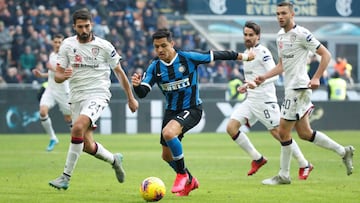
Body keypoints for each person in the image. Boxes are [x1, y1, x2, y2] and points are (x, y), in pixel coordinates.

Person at [131, 28, 254, 196]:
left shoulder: (188, 58)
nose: (160, 50)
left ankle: (182, 175)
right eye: (156, 46)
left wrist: (245, 56)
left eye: (163, 45)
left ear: (172, 44)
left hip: (192, 109)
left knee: (168, 133)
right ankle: (190, 179)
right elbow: (143, 92)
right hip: (171, 111)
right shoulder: (155, 67)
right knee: (166, 156)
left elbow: (217, 55)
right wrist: (136, 86)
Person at [254, 2, 354, 185]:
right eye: (277, 14)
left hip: (298, 88)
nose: (280, 17)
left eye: (283, 13)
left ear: (292, 15)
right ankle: (343, 151)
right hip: (292, 88)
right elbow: (281, 66)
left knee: (282, 131)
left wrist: (316, 77)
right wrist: (264, 77)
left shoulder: (302, 34)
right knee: (305, 133)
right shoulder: (280, 36)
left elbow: (326, 55)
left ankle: (284, 175)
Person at [48, 9, 139, 190]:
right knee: (87, 145)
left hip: (98, 94)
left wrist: (131, 98)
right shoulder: (67, 45)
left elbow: (119, 73)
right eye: (80, 27)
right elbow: (57, 75)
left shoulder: (105, 46)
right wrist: (63, 76)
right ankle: (115, 160)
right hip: (76, 97)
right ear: (74, 27)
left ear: (92, 25)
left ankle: (65, 177)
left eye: (87, 26)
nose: (84, 30)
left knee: (77, 127)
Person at [226, 21, 312, 179]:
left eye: (251, 35)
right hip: (251, 100)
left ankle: (304, 163)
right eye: (245, 34)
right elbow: (253, 78)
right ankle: (257, 159)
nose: (248, 37)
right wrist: (247, 85)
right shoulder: (247, 53)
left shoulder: (263, 52)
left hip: (265, 100)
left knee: (280, 134)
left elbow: (275, 75)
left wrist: (256, 83)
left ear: (258, 36)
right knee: (231, 127)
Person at [32, 34, 72, 151]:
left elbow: (66, 73)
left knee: (68, 119)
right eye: (56, 42)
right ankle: (53, 137)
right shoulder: (52, 55)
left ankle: (78, 141)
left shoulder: (66, 57)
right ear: (52, 43)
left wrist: (52, 68)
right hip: (50, 89)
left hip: (63, 91)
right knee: (43, 112)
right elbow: (52, 74)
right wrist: (42, 75)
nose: (57, 44)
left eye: (60, 42)